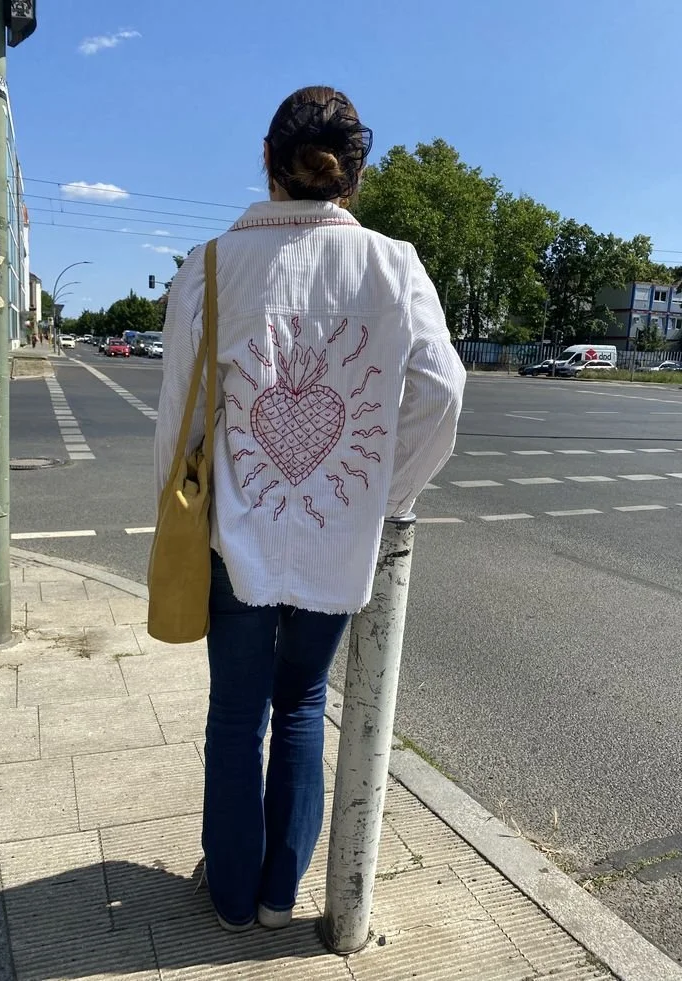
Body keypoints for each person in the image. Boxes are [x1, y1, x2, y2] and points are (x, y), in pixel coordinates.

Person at [155, 85, 465, 934]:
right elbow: (443, 392)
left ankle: (226, 895)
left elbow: (178, 409)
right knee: (302, 704)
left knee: (236, 713)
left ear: (268, 160)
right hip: (339, 542)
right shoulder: (395, 264)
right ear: (352, 177)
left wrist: (178, 505)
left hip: (234, 541)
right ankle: (279, 895)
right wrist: (384, 495)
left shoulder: (212, 264)